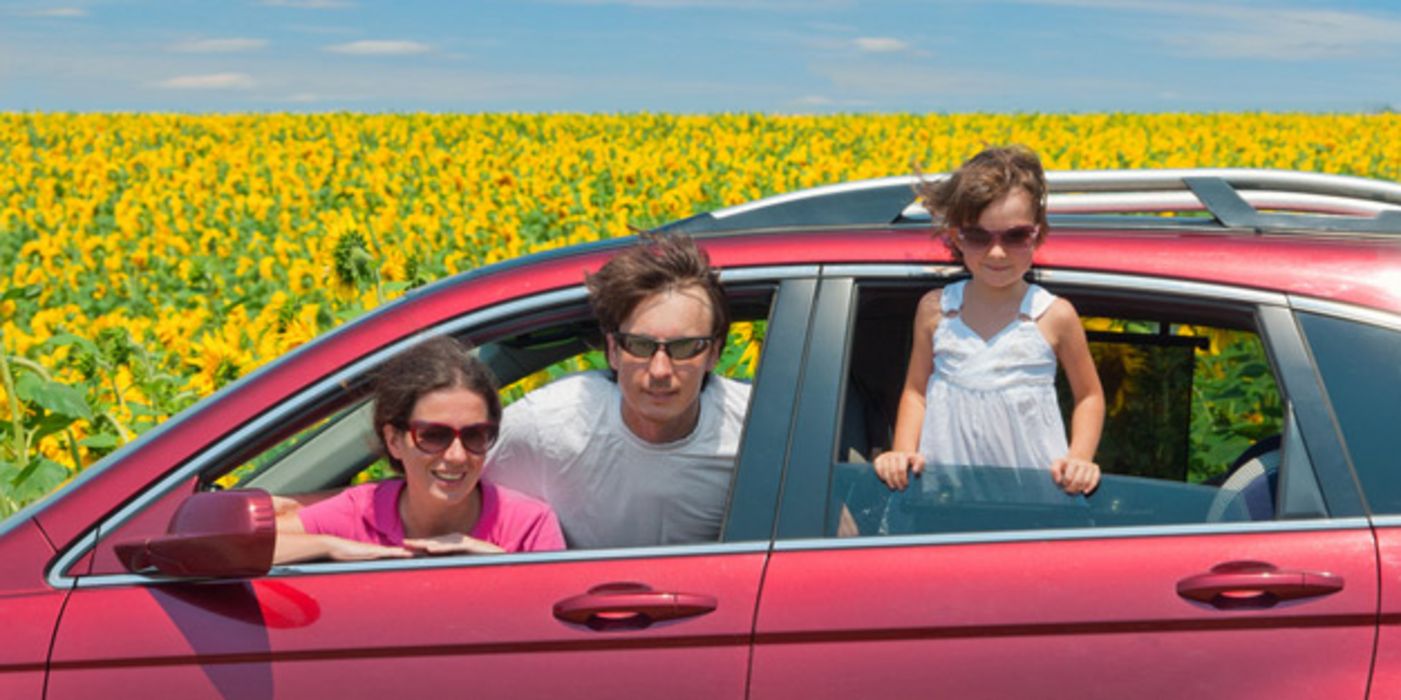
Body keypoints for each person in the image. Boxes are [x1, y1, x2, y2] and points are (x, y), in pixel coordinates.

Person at [485, 232, 750, 549]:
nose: (660, 370)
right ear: (612, 350)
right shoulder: (548, 424)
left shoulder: (756, 428)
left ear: (714, 354)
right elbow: (454, 487)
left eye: (684, 348)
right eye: (640, 345)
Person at [872, 145, 1105, 495]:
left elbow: (1089, 396)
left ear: (1037, 235)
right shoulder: (937, 309)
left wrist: (1080, 459)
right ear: (956, 237)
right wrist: (903, 451)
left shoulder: (1053, 315)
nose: (996, 252)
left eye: (1015, 236)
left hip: (1035, 500)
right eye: (978, 236)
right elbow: (916, 392)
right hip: (945, 500)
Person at [274, 336, 565, 564]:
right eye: (434, 436)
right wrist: (329, 546)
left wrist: (499, 566)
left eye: (475, 435)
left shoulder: (529, 526)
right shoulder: (361, 512)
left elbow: (558, 625)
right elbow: (238, 548)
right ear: (394, 440)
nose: (457, 455)